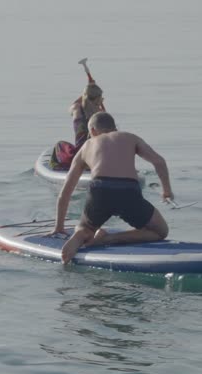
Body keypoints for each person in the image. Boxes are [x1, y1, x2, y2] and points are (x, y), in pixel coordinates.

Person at [53, 112, 173, 265]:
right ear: (115, 128)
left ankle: (81, 233)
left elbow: (65, 192)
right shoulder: (130, 137)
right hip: (128, 191)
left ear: (93, 130)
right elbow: (159, 161)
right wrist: (166, 191)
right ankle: (109, 238)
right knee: (160, 231)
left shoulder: (87, 146)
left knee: (86, 227)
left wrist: (59, 227)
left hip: (100, 190)